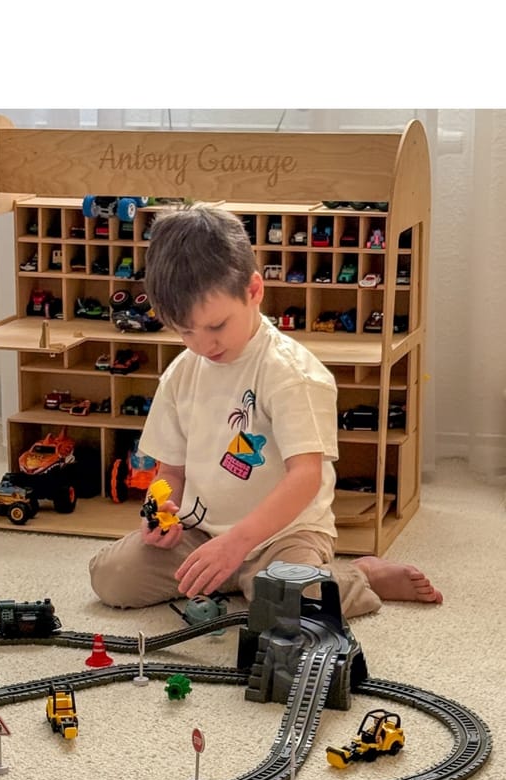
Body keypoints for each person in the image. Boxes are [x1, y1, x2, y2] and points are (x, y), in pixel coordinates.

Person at [89, 204, 442, 618]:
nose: (203, 344)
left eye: (217, 326)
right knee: (111, 577)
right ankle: (239, 579)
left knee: (293, 607)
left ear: (254, 290)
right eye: (186, 331)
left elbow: (305, 477)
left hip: (283, 536)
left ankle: (358, 574)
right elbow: (171, 473)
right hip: (201, 532)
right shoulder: (181, 374)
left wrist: (239, 543)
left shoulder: (291, 374)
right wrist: (157, 512)